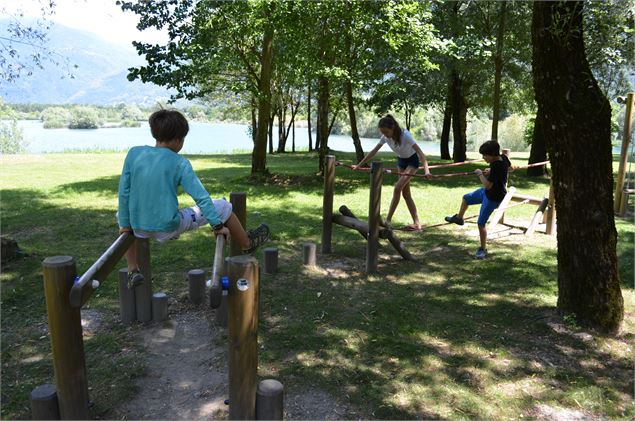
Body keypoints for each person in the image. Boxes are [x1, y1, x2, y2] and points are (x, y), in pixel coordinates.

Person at [117, 109, 270, 288]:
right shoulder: (180, 163)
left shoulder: (135, 154)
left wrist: (126, 226)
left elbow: (124, 192)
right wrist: (217, 226)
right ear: (179, 139)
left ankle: (132, 269)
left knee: (120, 214)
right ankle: (246, 243)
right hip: (168, 227)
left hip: (137, 228)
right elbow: (201, 197)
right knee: (222, 206)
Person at [352, 114, 430, 231]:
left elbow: (421, 154)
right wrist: (359, 165)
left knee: (397, 188)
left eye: (386, 132)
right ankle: (417, 224)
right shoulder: (385, 137)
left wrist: (426, 171)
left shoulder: (405, 135)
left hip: (412, 162)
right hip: (401, 162)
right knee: (406, 194)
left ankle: (387, 221)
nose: (385, 135)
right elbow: (374, 151)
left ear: (393, 128)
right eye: (382, 132)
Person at [444, 140, 511, 259]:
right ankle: (459, 218)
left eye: (485, 155)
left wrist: (480, 174)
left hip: (493, 198)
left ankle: (482, 249)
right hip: (486, 193)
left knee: (481, 223)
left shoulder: (496, 165)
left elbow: (488, 185)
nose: (483, 157)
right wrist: (491, 172)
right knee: (466, 198)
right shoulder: (503, 158)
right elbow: (510, 169)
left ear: (492, 154)